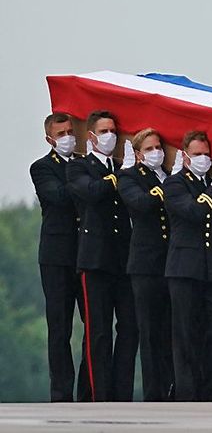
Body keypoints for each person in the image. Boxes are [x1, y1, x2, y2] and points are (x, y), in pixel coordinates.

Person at [164, 130, 212, 401]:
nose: (203, 159)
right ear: (185, 157)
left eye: (207, 155)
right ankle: (187, 393)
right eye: (197, 154)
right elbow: (195, 212)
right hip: (186, 269)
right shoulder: (174, 185)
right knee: (186, 334)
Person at [66, 109, 137, 402]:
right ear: (92, 136)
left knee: (130, 329)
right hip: (95, 261)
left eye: (114, 131)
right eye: (105, 131)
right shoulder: (78, 167)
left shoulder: (122, 166)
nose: (111, 136)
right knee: (98, 333)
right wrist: (121, 176)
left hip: (123, 260)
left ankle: (121, 394)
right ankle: (99, 395)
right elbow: (92, 192)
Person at [30, 112, 85, 402]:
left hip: (86, 253)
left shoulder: (85, 165)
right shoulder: (41, 168)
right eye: (61, 133)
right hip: (56, 256)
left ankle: (90, 389)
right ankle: (62, 393)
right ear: (49, 138)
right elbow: (59, 196)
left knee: (95, 323)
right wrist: (85, 181)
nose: (67, 138)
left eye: (69, 132)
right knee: (60, 326)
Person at [117, 129, 174, 401]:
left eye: (159, 147)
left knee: (172, 330)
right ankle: (154, 393)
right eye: (150, 148)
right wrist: (166, 189)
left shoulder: (172, 177)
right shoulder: (129, 177)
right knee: (149, 332)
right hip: (145, 266)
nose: (157, 152)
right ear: (139, 154)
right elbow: (139, 204)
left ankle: (173, 387)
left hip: (172, 264)